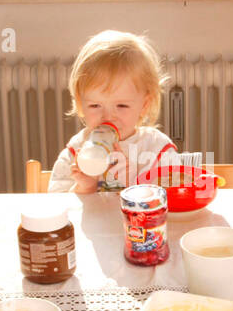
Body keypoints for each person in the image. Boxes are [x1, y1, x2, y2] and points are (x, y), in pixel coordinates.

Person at [47, 30, 177, 193]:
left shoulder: (156, 148)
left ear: (144, 105)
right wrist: (83, 187)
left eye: (121, 106)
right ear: (81, 104)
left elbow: (174, 201)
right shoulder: (76, 151)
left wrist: (134, 184)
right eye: (95, 106)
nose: (108, 117)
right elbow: (56, 206)